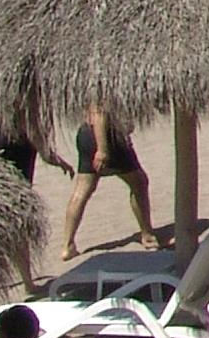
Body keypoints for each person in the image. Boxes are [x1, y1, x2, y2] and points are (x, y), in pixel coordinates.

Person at [60, 105, 155, 260]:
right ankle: (148, 236)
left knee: (82, 190)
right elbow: (99, 111)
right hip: (106, 136)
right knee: (139, 182)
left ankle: (67, 245)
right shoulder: (102, 82)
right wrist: (102, 149)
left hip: (86, 133)